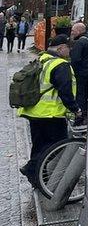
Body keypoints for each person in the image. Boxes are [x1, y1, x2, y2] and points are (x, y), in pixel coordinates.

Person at [18, 34, 80, 185]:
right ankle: (32, 169)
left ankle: (37, 179)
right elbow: (65, 91)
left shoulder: (41, 59)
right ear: (60, 48)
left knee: (39, 145)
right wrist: (75, 109)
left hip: (34, 112)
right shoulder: (60, 65)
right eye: (68, 48)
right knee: (57, 146)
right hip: (50, 114)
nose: (70, 51)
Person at [69, 23, 88, 120]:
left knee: (80, 94)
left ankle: (80, 116)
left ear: (78, 31)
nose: (72, 33)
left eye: (73, 31)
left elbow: (75, 59)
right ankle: (86, 112)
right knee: (86, 94)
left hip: (80, 73)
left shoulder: (79, 42)